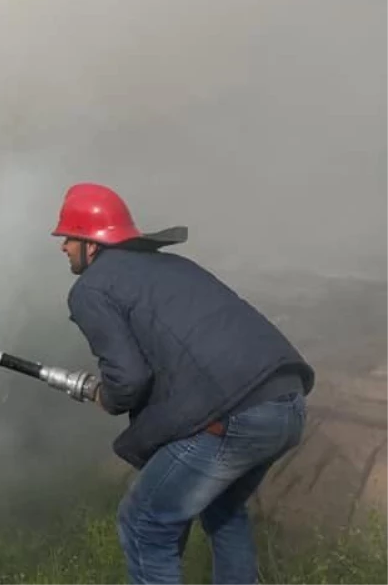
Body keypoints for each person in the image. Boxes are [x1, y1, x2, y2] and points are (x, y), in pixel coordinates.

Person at [54, 182, 313, 585]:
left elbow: (129, 380)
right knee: (224, 510)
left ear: (92, 242)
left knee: (143, 523)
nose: (63, 247)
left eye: (68, 237)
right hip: (288, 401)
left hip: (234, 416)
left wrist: (105, 395)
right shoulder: (174, 267)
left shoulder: (91, 288)